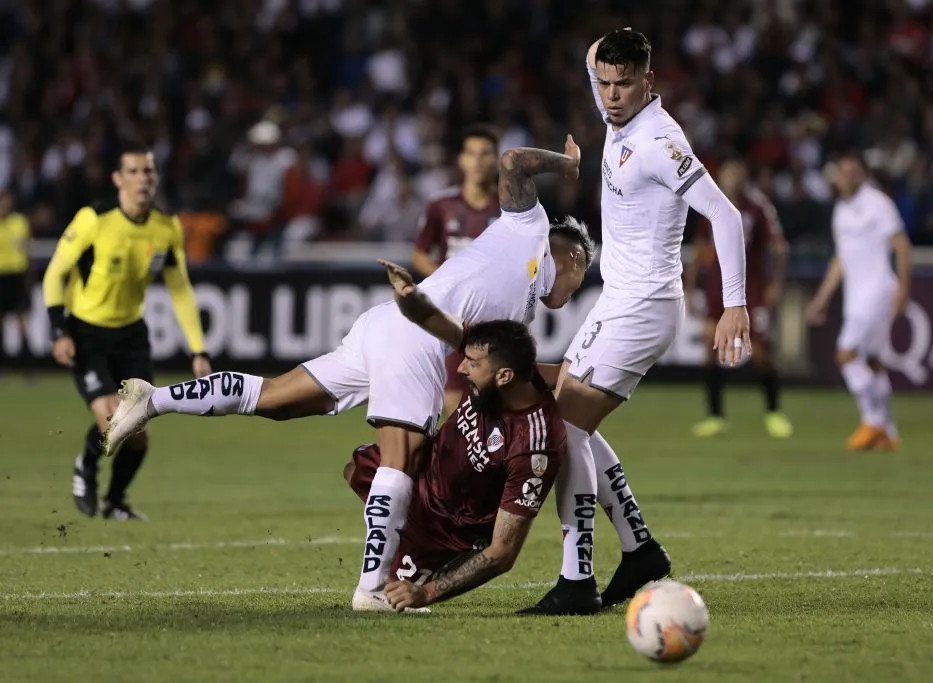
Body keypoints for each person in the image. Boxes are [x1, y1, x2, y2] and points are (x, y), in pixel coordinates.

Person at [102, 137, 592, 610]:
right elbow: (511, 162)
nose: (573, 290)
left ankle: (152, 400)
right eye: (581, 275)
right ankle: (371, 588)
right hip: (413, 338)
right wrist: (564, 166)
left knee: (275, 399)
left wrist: (565, 376)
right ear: (573, 257)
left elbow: (499, 363)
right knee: (400, 458)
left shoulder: (521, 311)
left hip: (387, 324)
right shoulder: (528, 226)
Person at [521, 28, 751, 616]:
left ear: (649, 82)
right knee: (574, 422)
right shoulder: (613, 110)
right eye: (605, 83)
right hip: (617, 300)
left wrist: (734, 304)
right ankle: (640, 550)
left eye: (625, 84)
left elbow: (725, 217)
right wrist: (601, 53)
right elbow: (590, 53)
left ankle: (578, 579)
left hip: (644, 303)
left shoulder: (658, 140)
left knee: (564, 427)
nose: (612, 95)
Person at [345, 315, 565, 613]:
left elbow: (502, 552)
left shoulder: (533, 446)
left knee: (396, 593)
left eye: (472, 363)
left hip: (446, 529)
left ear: (504, 377)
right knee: (355, 468)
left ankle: (421, 553)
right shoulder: (502, 380)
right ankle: (401, 526)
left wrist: (426, 593)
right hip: (424, 472)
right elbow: (567, 373)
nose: (461, 369)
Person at [42, 143, 211, 521]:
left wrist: (198, 349)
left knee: (138, 433)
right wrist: (58, 331)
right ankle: (85, 465)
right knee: (110, 419)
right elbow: (55, 272)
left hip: (131, 335)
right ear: (118, 179)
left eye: (148, 171)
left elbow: (180, 289)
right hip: (86, 331)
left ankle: (115, 502)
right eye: (133, 171)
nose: (142, 179)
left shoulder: (166, 227)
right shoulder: (95, 219)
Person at [806, 152, 911, 451]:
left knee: (846, 354)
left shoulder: (878, 204)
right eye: (843, 172)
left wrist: (904, 289)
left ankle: (872, 422)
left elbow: (902, 246)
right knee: (874, 362)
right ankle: (888, 432)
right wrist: (822, 299)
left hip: (877, 291)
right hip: (856, 296)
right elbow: (841, 260)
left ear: (863, 175)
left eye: (853, 172)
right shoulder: (841, 210)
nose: (847, 177)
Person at [686, 157, 792, 438]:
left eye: (738, 173)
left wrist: (775, 284)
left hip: (750, 290)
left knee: (759, 353)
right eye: (729, 173)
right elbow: (700, 250)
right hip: (715, 289)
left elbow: (780, 248)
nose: (734, 179)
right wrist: (690, 286)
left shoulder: (757, 208)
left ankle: (773, 412)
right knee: (710, 347)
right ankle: (715, 416)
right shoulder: (710, 204)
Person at [411, 124, 502, 418]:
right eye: (471, 153)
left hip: (495, 318)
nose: (477, 161)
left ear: (497, 159)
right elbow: (419, 253)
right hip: (453, 318)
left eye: (485, 153)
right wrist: (449, 279)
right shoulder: (442, 205)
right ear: (461, 159)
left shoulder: (509, 208)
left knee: (497, 404)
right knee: (453, 406)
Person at [0, 189, 32, 364]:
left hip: (17, 275)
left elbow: (26, 247)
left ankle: (28, 363)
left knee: (21, 319)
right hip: (1, 275)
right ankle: (3, 363)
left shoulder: (19, 222)